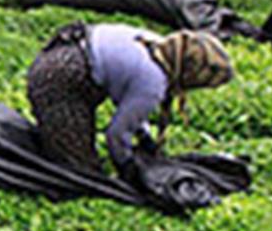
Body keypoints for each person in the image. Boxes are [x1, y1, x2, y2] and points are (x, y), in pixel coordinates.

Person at [26, 22, 234, 185]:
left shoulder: (159, 45)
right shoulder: (153, 82)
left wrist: (144, 136)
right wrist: (127, 166)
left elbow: (130, 102)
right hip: (58, 79)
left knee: (69, 151)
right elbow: (116, 134)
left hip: (64, 51)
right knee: (80, 174)